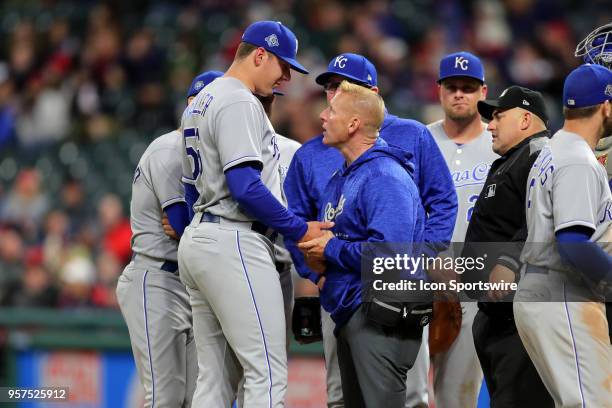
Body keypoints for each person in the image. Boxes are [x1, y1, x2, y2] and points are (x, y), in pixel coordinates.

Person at [283, 52, 457, 408]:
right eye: (331, 87)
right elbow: (299, 223)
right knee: (343, 396)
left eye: (345, 89)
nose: (331, 98)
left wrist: (420, 263)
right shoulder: (324, 160)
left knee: (410, 396)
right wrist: (314, 269)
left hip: (387, 296)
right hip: (342, 293)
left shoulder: (395, 156)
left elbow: (439, 204)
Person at [177, 21, 331, 407]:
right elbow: (244, 186)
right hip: (235, 239)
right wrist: (298, 228)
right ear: (259, 55)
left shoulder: (203, 99)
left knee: (213, 381)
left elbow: (188, 188)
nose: (285, 77)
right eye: (282, 66)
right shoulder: (239, 100)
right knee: (266, 372)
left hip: (201, 237)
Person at [298, 80, 426, 408]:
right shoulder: (345, 176)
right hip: (350, 311)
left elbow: (390, 256)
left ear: (354, 123)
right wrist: (316, 258)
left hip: (380, 314)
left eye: (332, 111)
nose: (323, 116)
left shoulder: (384, 176)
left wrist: (330, 249)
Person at [116, 70, 223, 408]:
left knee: (193, 398)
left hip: (188, 282)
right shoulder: (168, 149)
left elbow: (191, 228)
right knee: (166, 396)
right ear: (191, 104)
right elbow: (180, 224)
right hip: (156, 278)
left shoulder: (206, 159)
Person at [514, 64, 612, 407]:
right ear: (607, 106)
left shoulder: (555, 149)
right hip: (563, 293)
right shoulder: (577, 159)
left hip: (543, 291)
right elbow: (572, 242)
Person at [406, 51, 495, 408]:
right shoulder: (417, 140)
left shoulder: (498, 143)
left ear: (483, 92)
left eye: (468, 88)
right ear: (439, 91)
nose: (460, 94)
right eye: (453, 86)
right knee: (408, 390)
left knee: (457, 395)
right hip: (417, 276)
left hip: (472, 279)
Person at [461, 85, 553, 407]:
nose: (490, 125)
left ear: (526, 118)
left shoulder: (540, 153)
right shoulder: (512, 159)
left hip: (521, 316)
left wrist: (510, 262)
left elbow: (547, 217)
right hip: (496, 314)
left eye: (499, 116)